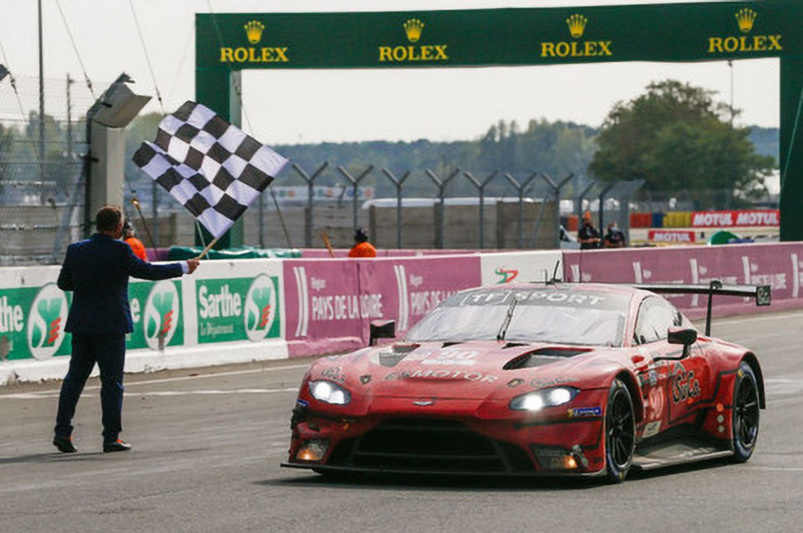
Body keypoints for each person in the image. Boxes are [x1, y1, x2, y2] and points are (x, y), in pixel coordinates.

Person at [53, 205, 200, 454]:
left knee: (74, 379)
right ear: (118, 227)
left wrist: (88, 286)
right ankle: (111, 438)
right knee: (112, 383)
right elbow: (147, 271)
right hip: (111, 326)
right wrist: (183, 267)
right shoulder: (121, 249)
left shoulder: (76, 250)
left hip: (82, 324)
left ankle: (62, 431)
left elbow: (63, 283)